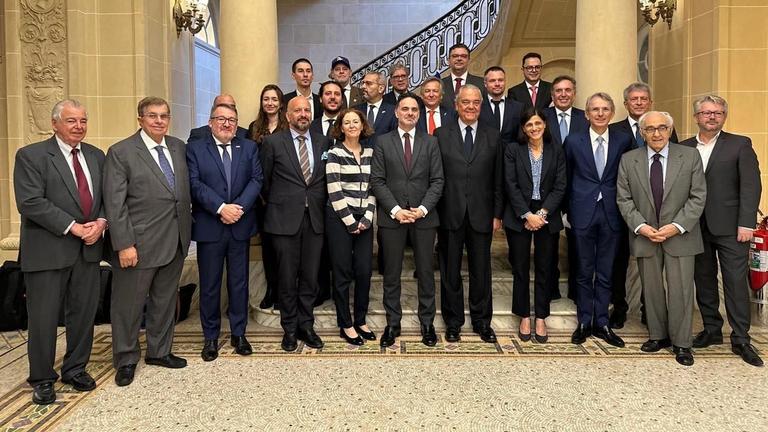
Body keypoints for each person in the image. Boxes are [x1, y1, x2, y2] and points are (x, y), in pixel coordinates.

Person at [13, 99, 107, 405]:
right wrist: (74, 227)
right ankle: (42, 378)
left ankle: (75, 369)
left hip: (88, 250)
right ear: (54, 124)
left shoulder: (96, 155)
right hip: (48, 251)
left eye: (83, 121)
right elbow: (30, 202)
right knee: (43, 319)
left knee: (83, 314)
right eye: (71, 121)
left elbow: (107, 196)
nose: (79, 126)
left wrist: (101, 222)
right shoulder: (31, 156)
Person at [104, 96, 192, 386]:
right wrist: (124, 244)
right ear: (140, 119)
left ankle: (159, 351)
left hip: (175, 240)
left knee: (164, 301)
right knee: (128, 306)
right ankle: (126, 359)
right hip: (138, 244)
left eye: (164, 116)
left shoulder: (178, 147)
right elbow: (115, 203)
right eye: (152, 116)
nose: (159, 121)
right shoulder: (122, 152)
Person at [616, 111, 706, 366]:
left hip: (680, 235)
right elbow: (623, 198)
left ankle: (682, 343)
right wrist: (641, 226)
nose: (656, 133)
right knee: (652, 289)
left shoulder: (689, 156)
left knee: (681, 290)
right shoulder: (629, 159)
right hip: (646, 235)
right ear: (642, 133)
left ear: (670, 130)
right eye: (650, 129)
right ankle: (658, 336)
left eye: (662, 128)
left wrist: (676, 226)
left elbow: (698, 196)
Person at [681, 95, 764, 367]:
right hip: (695, 227)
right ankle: (711, 329)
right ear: (696, 117)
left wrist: (747, 223)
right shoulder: (684, 148)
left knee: (735, 282)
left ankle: (741, 338)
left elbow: (751, 186)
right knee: (703, 279)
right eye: (706, 112)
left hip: (732, 227)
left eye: (717, 112)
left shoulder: (740, 144)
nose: (712, 117)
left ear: (724, 116)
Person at [187, 103, 263, 361]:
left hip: (239, 225)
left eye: (232, 119)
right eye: (221, 119)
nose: (227, 124)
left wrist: (237, 208)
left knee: (239, 283)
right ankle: (210, 337)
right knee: (210, 285)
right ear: (210, 122)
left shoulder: (248, 147)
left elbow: (256, 180)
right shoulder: (196, 149)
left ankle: (239, 334)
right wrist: (221, 208)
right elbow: (194, 183)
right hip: (210, 226)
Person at [371, 94, 444, 348]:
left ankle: (427, 323)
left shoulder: (431, 142)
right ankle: (393, 323)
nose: (410, 113)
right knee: (391, 273)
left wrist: (422, 209)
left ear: (419, 114)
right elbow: (377, 180)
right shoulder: (382, 142)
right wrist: (395, 210)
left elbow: (438, 180)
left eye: (414, 109)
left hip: (424, 218)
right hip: (392, 218)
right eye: (405, 109)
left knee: (425, 272)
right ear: (396, 112)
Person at [261, 96, 330, 352]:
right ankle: (289, 328)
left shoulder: (323, 141)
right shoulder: (272, 142)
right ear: (287, 115)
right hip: (283, 221)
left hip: (315, 220)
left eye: (306, 110)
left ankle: (306, 325)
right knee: (287, 278)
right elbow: (265, 182)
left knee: (311, 277)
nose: (303, 114)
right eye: (297, 110)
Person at [435, 84, 503, 344]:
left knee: (481, 271)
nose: (471, 107)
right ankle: (453, 322)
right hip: (449, 213)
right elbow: (436, 176)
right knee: (450, 271)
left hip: (482, 214)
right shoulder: (441, 134)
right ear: (456, 105)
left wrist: (497, 213)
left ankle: (482, 321)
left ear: (481, 106)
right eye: (466, 102)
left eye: (476, 102)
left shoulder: (493, 135)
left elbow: (498, 179)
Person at [564, 92, 632, 348]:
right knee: (583, 271)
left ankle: (602, 322)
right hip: (582, 212)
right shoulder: (573, 140)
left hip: (613, 213)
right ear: (587, 114)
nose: (600, 113)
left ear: (612, 113)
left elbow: (629, 177)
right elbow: (566, 177)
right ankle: (584, 321)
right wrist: (566, 211)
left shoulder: (623, 140)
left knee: (606, 272)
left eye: (605, 109)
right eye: (595, 109)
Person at [608, 82, 678, 327]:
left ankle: (651, 309)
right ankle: (619, 307)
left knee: (654, 264)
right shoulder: (613, 130)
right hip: (623, 206)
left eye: (643, 98)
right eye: (634, 99)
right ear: (625, 103)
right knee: (619, 261)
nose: (639, 102)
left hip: (657, 209)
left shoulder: (666, 129)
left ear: (650, 102)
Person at [503, 108, 567, 344]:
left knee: (545, 267)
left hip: (547, 213)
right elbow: (510, 183)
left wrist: (541, 213)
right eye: (529, 124)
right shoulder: (513, 149)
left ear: (545, 125)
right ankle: (523, 316)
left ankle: (540, 316)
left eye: (538, 123)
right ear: (523, 128)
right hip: (519, 213)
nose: (534, 128)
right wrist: (527, 214)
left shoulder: (556, 150)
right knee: (520, 268)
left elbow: (561, 185)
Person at [325, 108, 377, 345]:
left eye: (356, 121)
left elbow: (373, 187)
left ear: (363, 125)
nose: (352, 125)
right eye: (347, 122)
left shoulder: (370, 153)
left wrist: (366, 219)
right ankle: (346, 324)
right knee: (342, 272)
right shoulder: (334, 153)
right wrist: (350, 221)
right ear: (341, 127)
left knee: (364, 271)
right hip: (339, 219)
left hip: (364, 219)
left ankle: (361, 320)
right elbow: (334, 190)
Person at [542, 75, 588, 301]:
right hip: (548, 190)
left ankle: (576, 290)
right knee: (548, 244)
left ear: (574, 93)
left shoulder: (585, 118)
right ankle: (551, 289)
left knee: (577, 242)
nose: (563, 94)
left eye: (567, 90)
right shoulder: (542, 116)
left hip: (578, 190)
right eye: (558, 91)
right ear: (552, 95)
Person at [248, 84, 289, 310]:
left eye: (274, 99)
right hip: (262, 198)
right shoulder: (254, 127)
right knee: (268, 247)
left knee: (284, 248)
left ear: (281, 103)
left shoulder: (288, 126)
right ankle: (271, 289)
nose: (270, 103)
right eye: (266, 99)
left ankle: (283, 291)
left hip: (284, 196)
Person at [479, 66, 524, 147]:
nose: (497, 84)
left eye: (500, 80)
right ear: (485, 84)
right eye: (492, 81)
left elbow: (520, 137)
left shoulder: (518, 108)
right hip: (485, 153)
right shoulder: (478, 107)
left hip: (510, 154)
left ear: (505, 81)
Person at [355, 71, 397, 137]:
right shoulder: (355, 110)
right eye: (363, 83)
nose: (363, 86)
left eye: (368, 83)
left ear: (381, 88)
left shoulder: (393, 111)